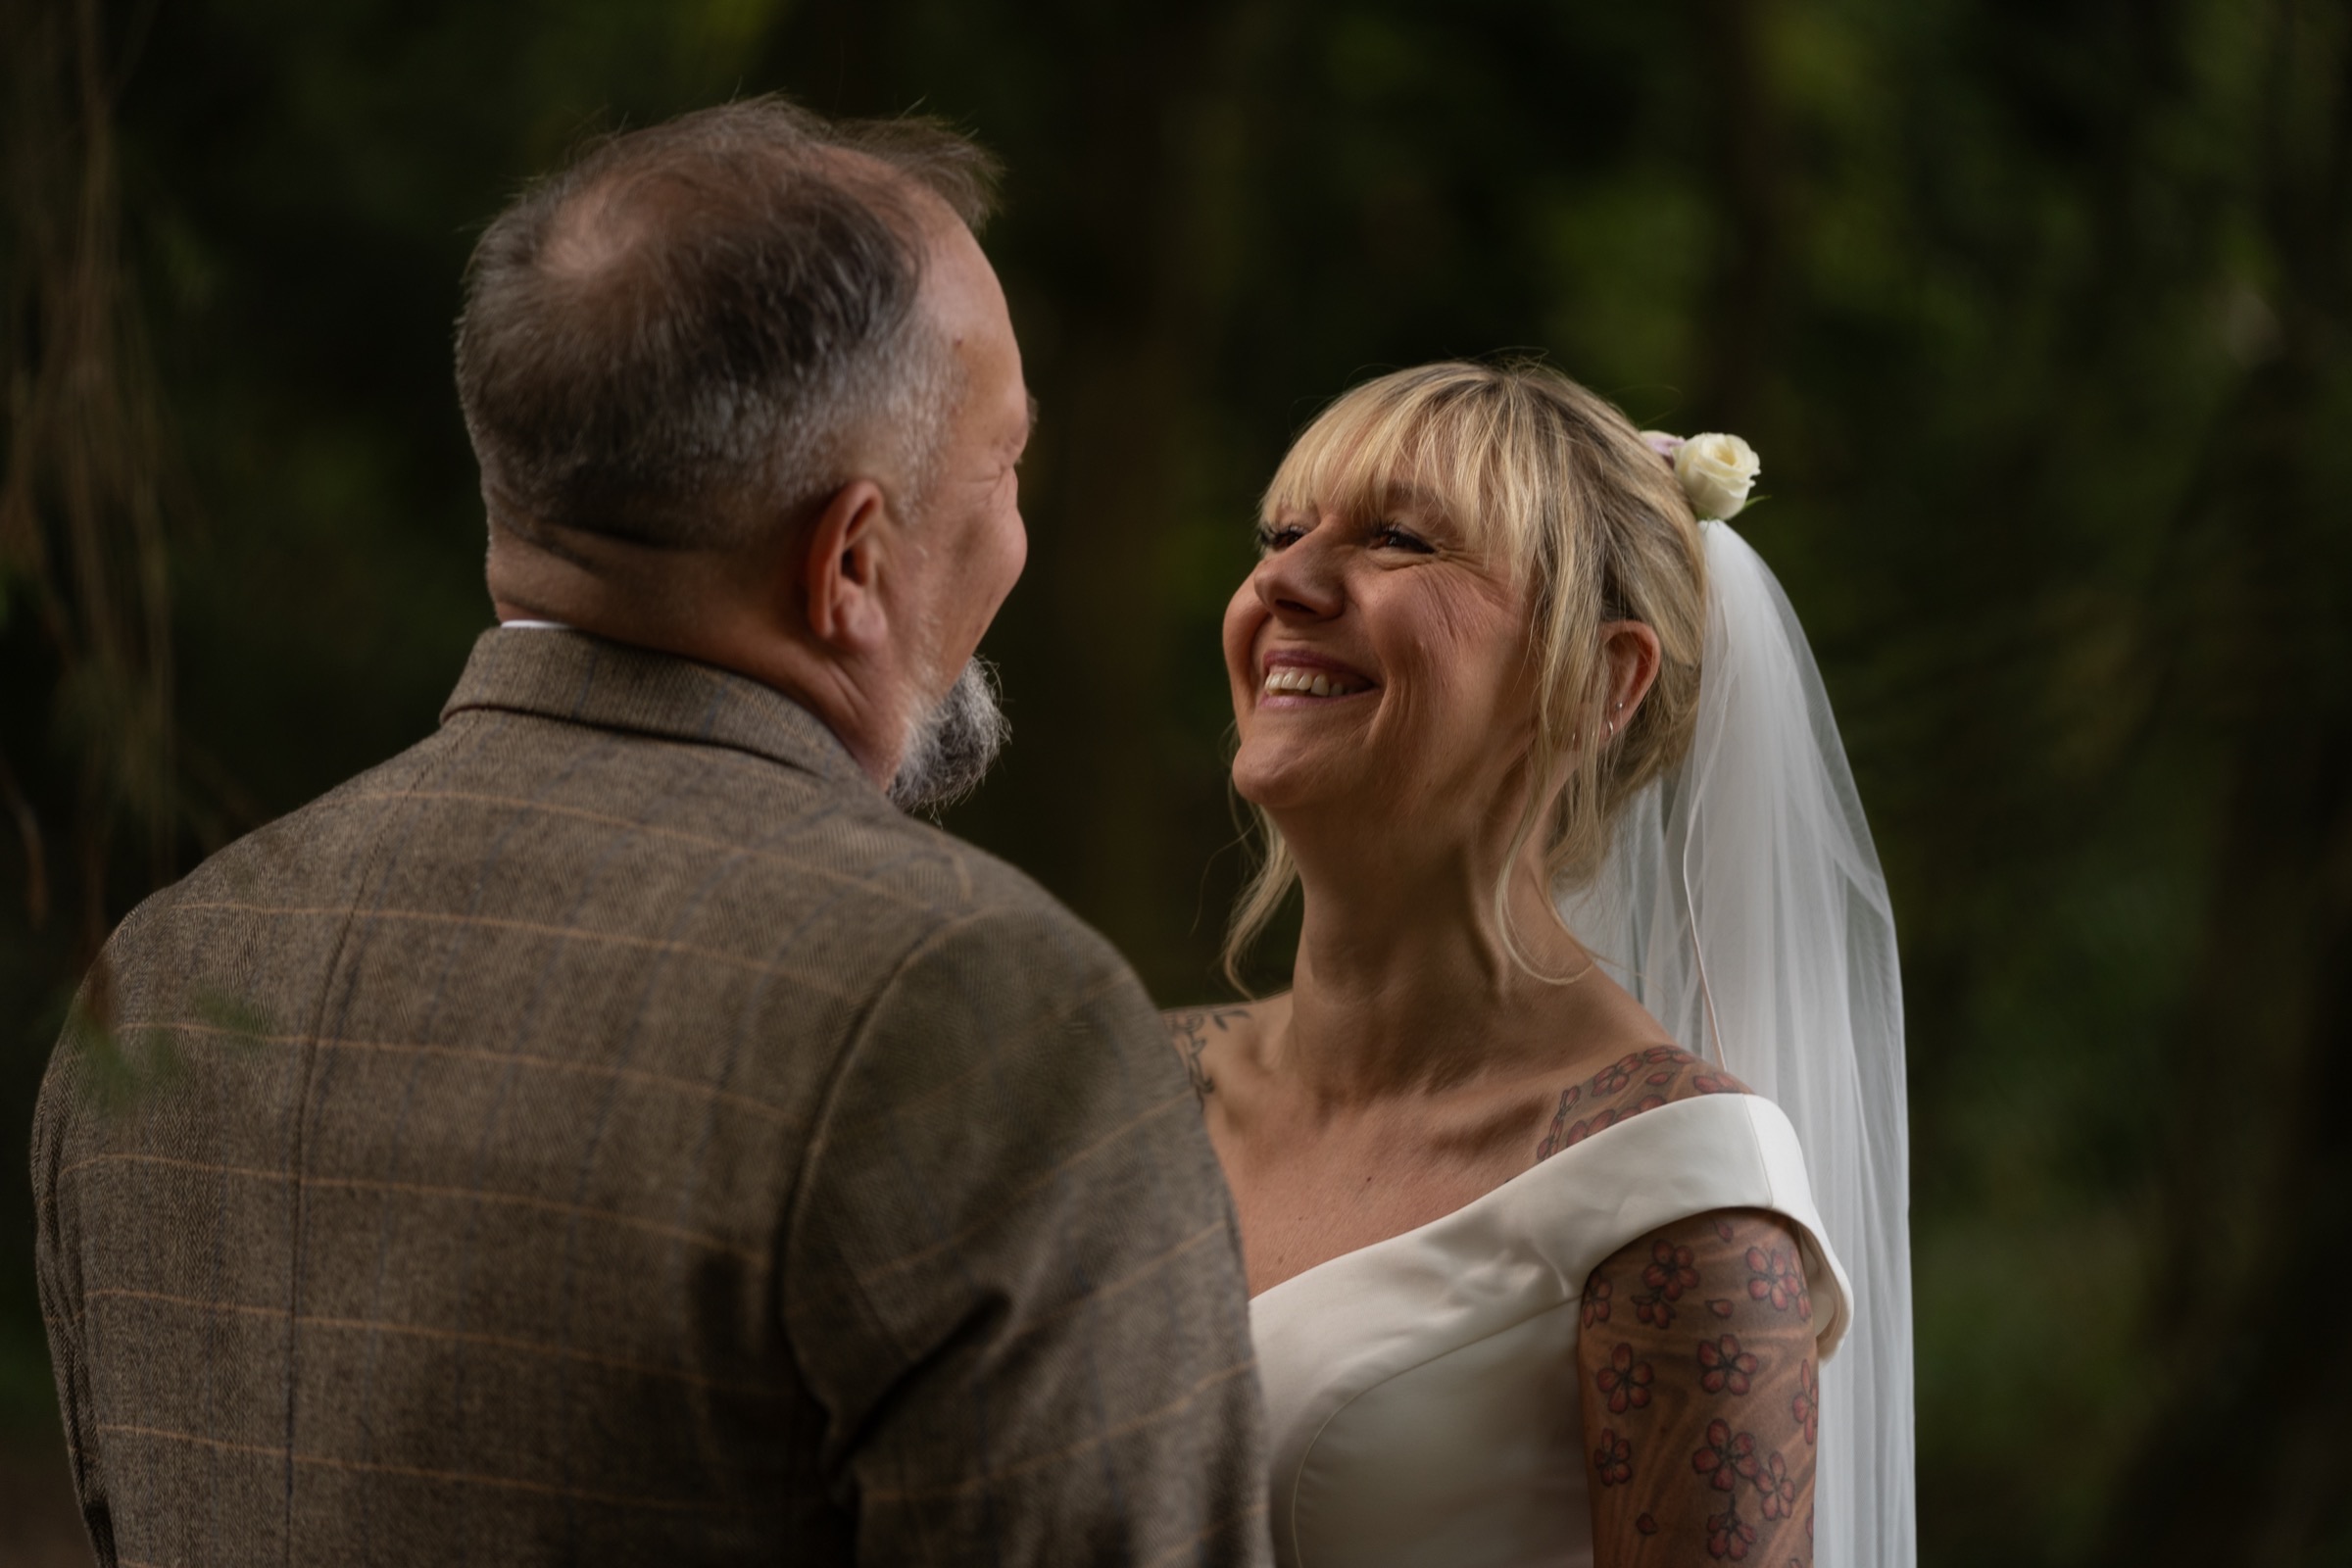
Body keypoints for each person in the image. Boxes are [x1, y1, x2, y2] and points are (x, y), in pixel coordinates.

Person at [31, 99, 1272, 1567]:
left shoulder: (171, 976)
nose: (1015, 527)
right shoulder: (976, 1009)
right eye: (1003, 469)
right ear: (853, 561)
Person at [1165, 362, 1914, 1566]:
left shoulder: (1682, 1198)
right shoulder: (1124, 1084)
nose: (1281, 581)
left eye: (1399, 539)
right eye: (1281, 532)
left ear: (1601, 681)